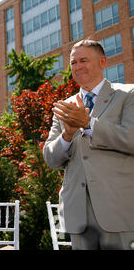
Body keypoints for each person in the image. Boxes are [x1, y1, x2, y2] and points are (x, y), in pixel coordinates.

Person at [43, 39, 134, 250]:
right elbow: (50, 158)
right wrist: (67, 135)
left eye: (84, 60)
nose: (77, 66)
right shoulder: (65, 107)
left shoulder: (127, 95)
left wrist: (88, 124)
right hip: (78, 214)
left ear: (103, 62)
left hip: (119, 209)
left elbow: (131, 138)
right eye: (73, 62)